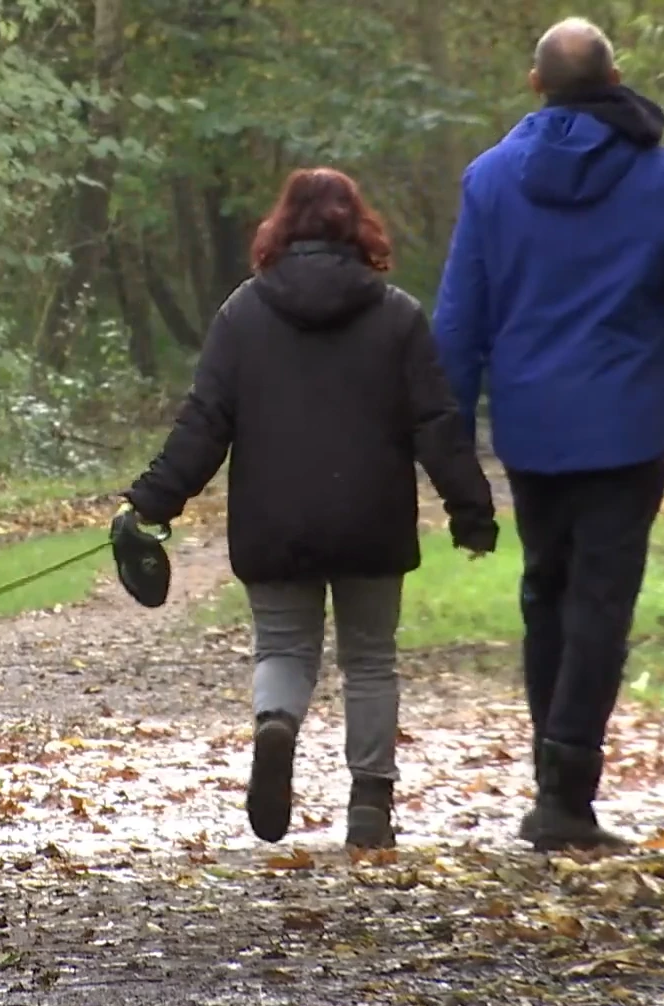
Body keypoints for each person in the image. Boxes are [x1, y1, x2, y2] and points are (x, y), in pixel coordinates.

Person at [431, 17, 664, 852]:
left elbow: (460, 323)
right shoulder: (658, 174)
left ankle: (557, 782)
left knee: (547, 593)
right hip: (625, 427)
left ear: (535, 85)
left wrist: (448, 442)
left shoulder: (490, 180)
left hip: (533, 430)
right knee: (600, 602)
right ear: (615, 76)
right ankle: (565, 794)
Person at [119, 167, 498, 850]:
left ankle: (277, 723)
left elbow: (205, 422)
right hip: (371, 519)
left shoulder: (243, 314)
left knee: (285, 647)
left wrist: (154, 500)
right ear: (361, 230)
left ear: (280, 230)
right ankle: (370, 808)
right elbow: (437, 424)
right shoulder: (399, 315)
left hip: (275, 520)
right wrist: (471, 509)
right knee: (371, 659)